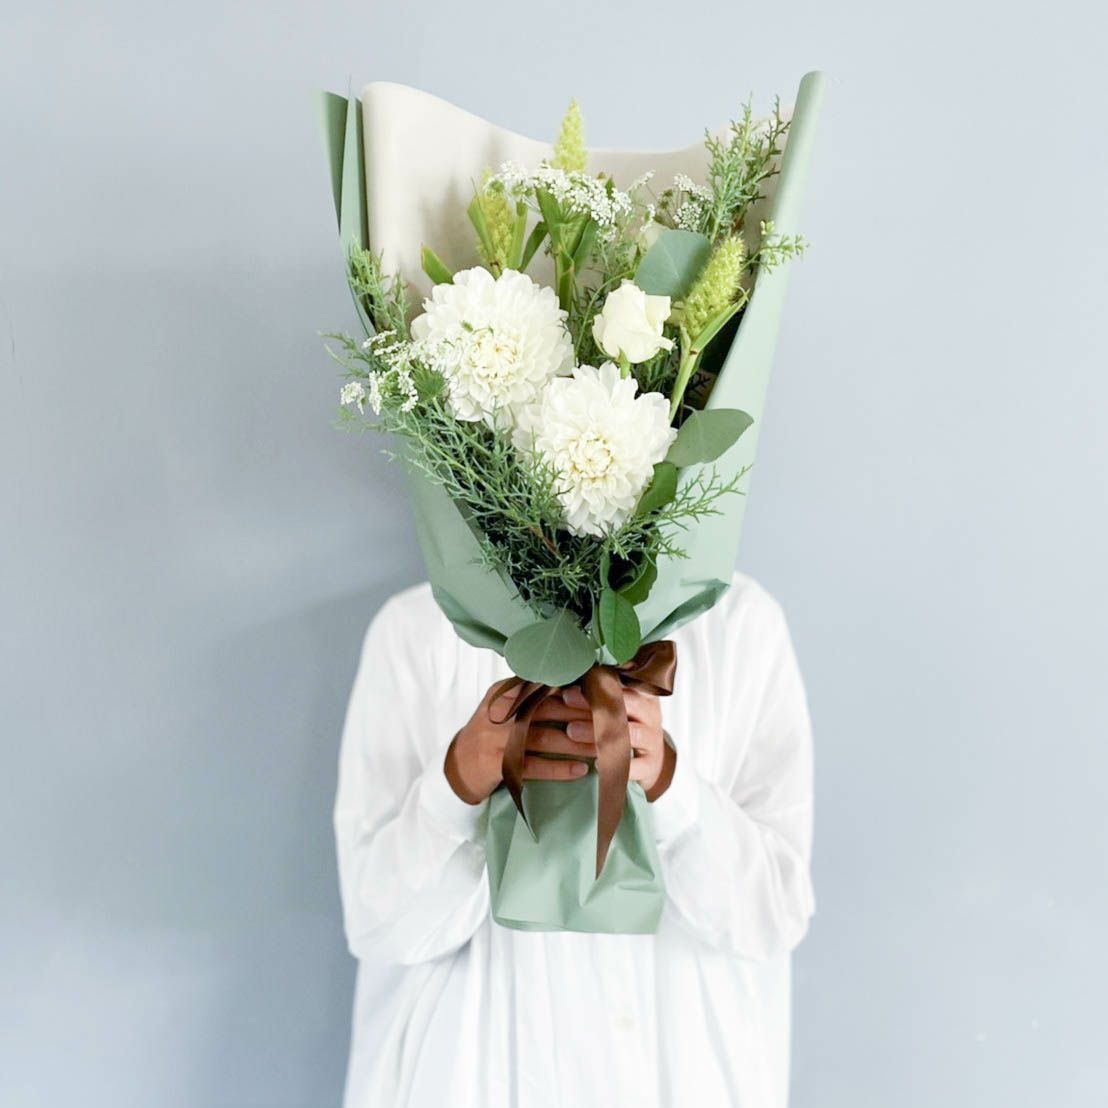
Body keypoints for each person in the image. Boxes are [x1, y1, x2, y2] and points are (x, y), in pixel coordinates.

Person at [334, 571, 814, 1107]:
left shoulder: (740, 626)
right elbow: (375, 923)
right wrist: (460, 779)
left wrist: (669, 783)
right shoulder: (415, 629)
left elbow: (775, 915)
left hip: (681, 1078)